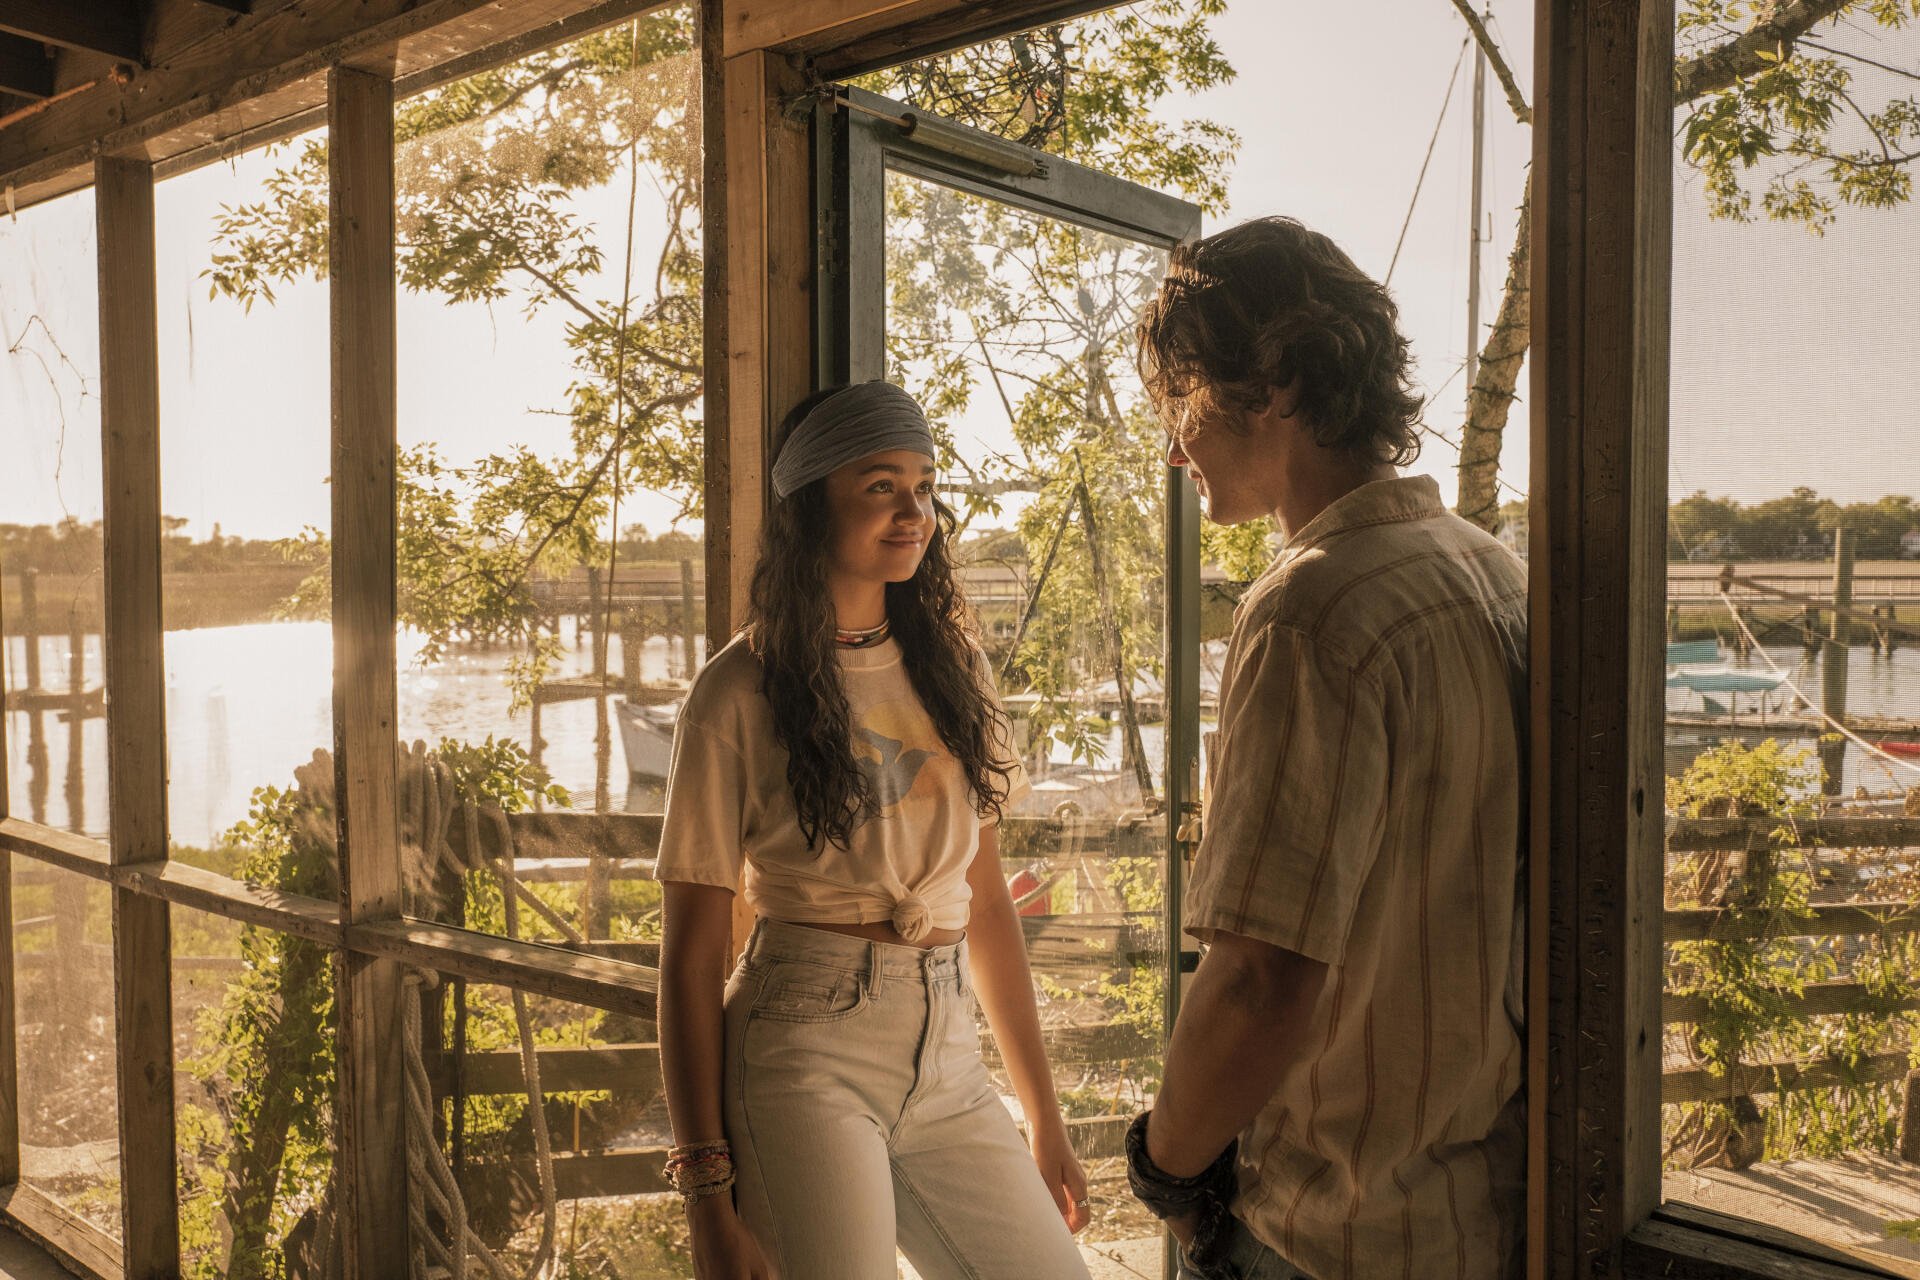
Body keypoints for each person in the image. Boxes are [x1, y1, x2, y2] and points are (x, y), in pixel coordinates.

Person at [1124, 218, 1528, 1280]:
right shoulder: (1492, 572)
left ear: (1274, 382)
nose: (1173, 447)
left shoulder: (1313, 611)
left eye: (1180, 401)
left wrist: (1165, 1167)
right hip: (1484, 1217)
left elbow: (1259, 976)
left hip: (1334, 1231)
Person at [654, 379, 1094, 1280]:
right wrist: (706, 1193)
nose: (913, 512)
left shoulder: (956, 668)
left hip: (949, 1057)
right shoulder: (737, 691)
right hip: (802, 1054)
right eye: (881, 486)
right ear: (811, 504)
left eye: (925, 487)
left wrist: (1043, 1117)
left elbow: (984, 901)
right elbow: (690, 955)